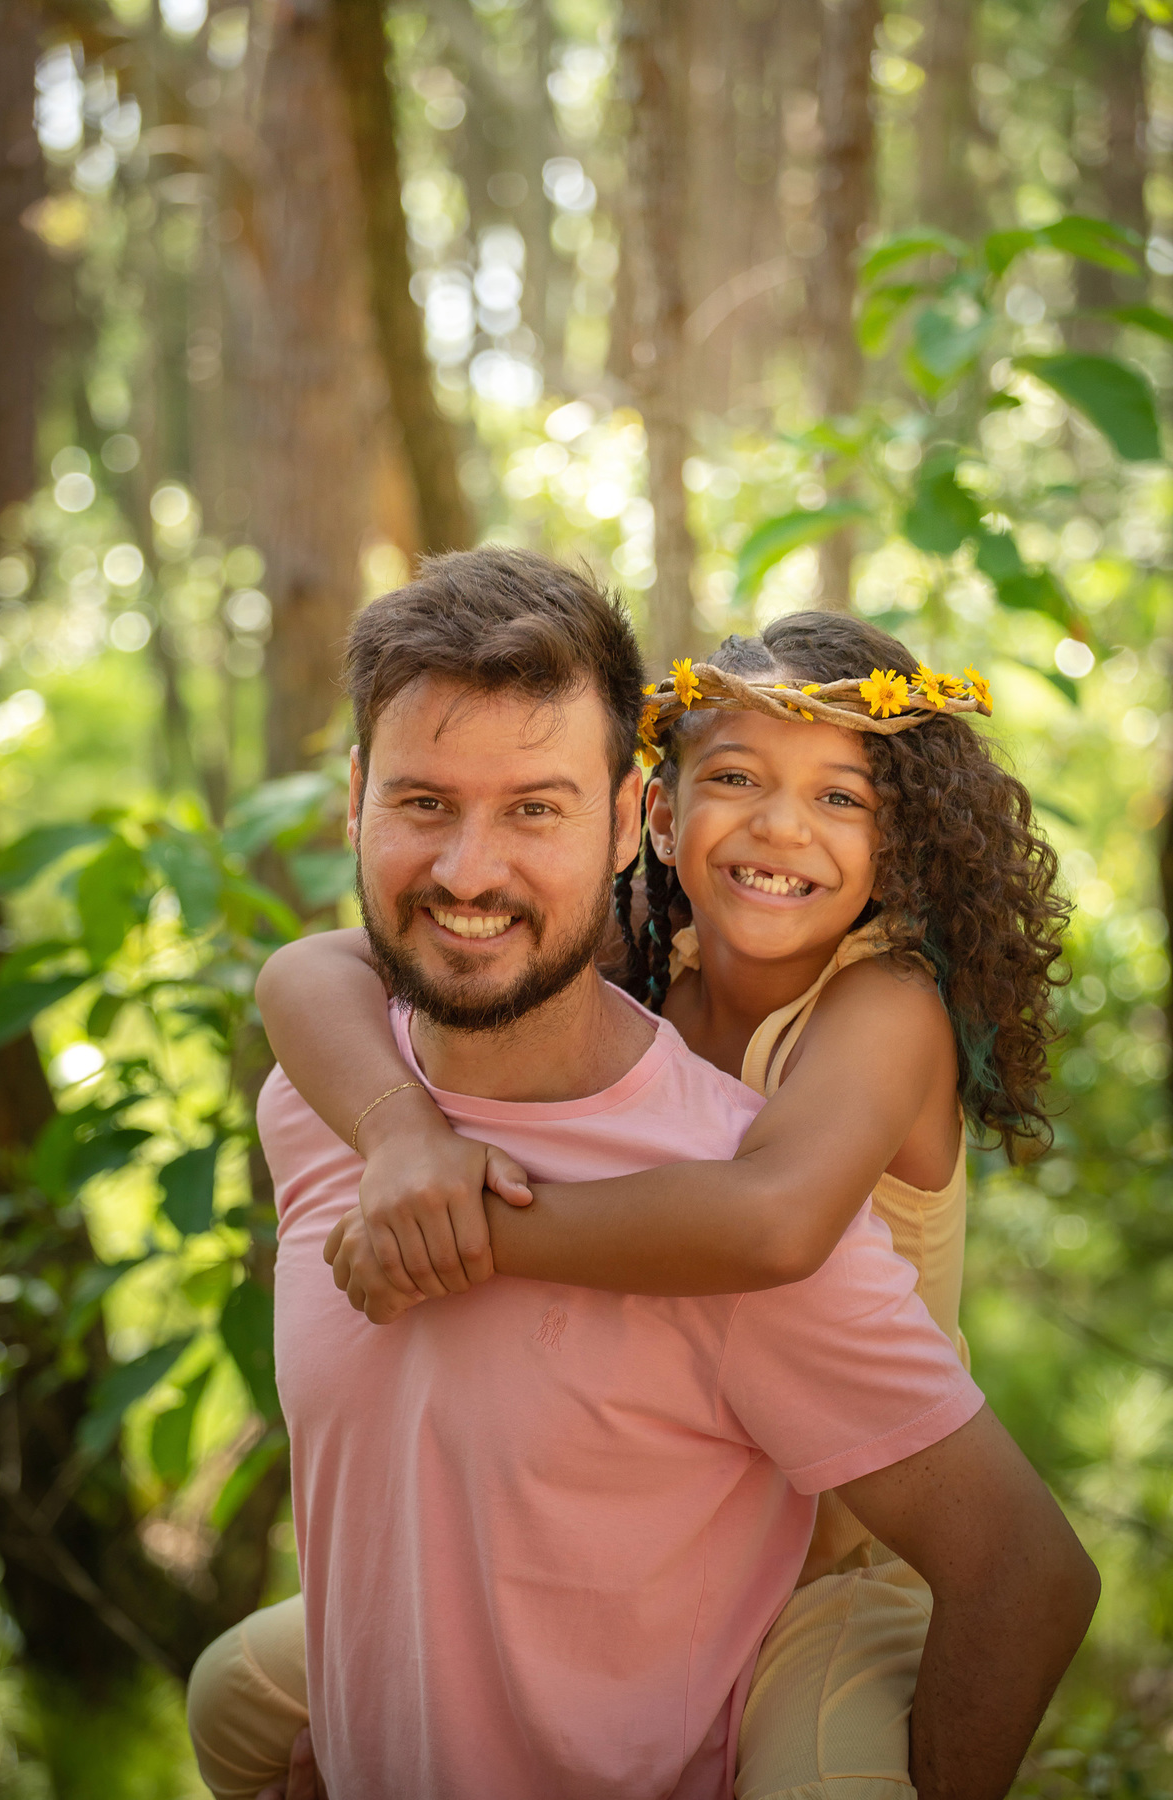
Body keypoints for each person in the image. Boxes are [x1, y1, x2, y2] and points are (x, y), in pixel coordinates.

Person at [187, 549, 1096, 1800]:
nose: (780, 828)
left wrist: (467, 1228)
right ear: (659, 818)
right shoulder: (620, 945)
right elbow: (306, 973)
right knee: (237, 1696)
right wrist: (404, 1138)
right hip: (698, 1526)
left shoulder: (885, 1007)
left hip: (850, 1554)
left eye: (841, 799)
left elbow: (768, 1221)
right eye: (737, 780)